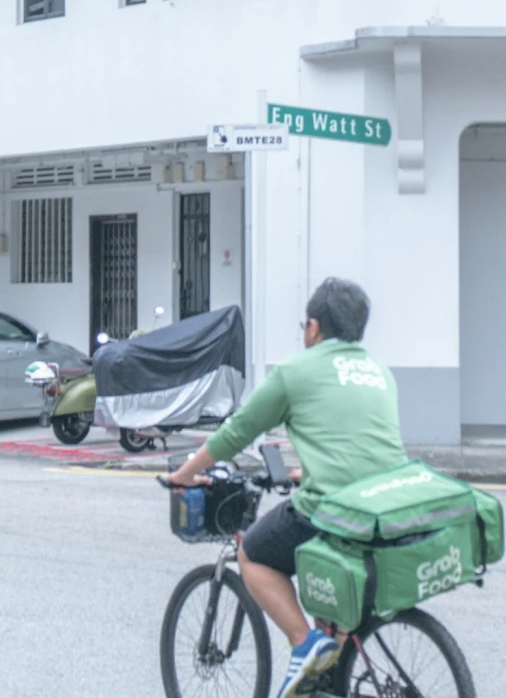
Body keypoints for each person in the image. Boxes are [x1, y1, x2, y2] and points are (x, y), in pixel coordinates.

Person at [165, 278, 406, 698]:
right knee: (330, 594)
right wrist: (306, 474)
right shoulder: (378, 371)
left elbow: (235, 434)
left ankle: (304, 644)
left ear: (313, 327)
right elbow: (357, 445)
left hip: (337, 510)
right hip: (387, 509)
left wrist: (185, 473)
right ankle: (329, 673)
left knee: (253, 552)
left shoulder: (296, 371)